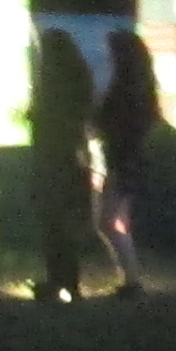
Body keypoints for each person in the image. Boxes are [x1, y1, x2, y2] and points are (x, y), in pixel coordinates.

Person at [28, 27, 100, 302]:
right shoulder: (81, 78)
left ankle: (57, 281)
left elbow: (43, 117)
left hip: (50, 157)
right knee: (67, 221)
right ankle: (70, 283)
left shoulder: (50, 82)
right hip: (73, 157)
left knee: (52, 222)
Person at [94, 28, 162, 296]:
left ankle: (131, 280)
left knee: (107, 220)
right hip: (130, 159)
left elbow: (104, 122)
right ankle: (129, 279)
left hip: (121, 158)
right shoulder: (142, 88)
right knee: (116, 220)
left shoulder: (123, 90)